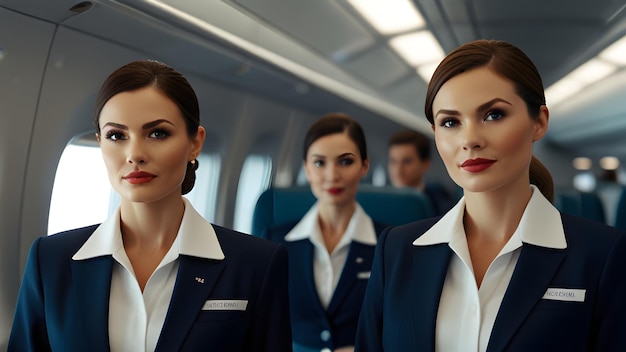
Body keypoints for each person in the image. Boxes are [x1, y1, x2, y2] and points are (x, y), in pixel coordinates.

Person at [355, 39, 626, 351]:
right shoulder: (396, 251)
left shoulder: (602, 255)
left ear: (539, 122)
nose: (469, 139)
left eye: (493, 115)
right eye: (450, 122)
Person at [9, 60, 292, 351]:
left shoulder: (256, 264)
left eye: (157, 133)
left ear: (195, 143)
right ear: (100, 143)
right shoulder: (50, 261)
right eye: (116, 136)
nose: (134, 154)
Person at [262, 113, 387, 352]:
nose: (332, 175)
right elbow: (264, 325)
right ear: (307, 169)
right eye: (320, 163)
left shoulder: (390, 244)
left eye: (345, 161)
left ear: (365, 165)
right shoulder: (275, 242)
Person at [387, 129, 454, 215]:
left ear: (425, 164)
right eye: (393, 161)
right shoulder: (379, 200)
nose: (398, 169)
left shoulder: (439, 202)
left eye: (407, 162)